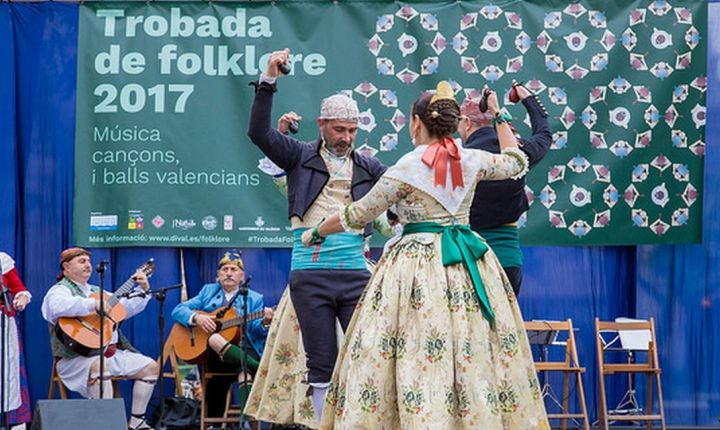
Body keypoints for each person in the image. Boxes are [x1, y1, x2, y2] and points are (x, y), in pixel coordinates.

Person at [302, 82, 549, 429]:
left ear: (416, 123)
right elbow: (516, 161)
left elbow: (356, 214)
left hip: (414, 270)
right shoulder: (473, 159)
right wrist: (498, 114)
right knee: (469, 348)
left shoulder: (407, 167)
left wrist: (315, 232)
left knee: (410, 349)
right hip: (466, 262)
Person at [246, 48, 387, 420]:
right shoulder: (299, 156)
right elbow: (257, 132)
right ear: (322, 124)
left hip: (356, 273)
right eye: (340, 129)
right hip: (310, 274)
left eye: (353, 131)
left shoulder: (369, 166)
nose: (346, 137)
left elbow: (401, 193)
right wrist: (269, 80)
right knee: (321, 363)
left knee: (364, 357)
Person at [41, 247, 158, 430]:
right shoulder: (59, 291)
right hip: (75, 359)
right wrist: (93, 305)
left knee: (150, 367)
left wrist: (143, 289)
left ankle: (137, 421)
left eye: (88, 261)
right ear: (66, 267)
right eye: (81, 261)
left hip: (108, 353)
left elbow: (126, 308)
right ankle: (106, 425)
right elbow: (57, 307)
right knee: (99, 365)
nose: (88, 264)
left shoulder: (98, 291)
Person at [458, 83, 551, 296]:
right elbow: (544, 134)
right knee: (505, 327)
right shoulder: (517, 153)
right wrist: (527, 97)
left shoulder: (462, 159)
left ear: (467, 122)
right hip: (508, 260)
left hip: (470, 258)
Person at [171, 249, 272, 421]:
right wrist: (197, 318)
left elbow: (256, 331)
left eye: (234, 270)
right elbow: (178, 310)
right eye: (225, 270)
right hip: (215, 356)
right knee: (214, 338)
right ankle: (260, 368)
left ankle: (244, 422)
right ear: (218, 275)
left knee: (245, 374)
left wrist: (265, 321)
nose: (229, 273)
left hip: (245, 349)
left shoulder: (254, 298)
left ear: (242, 276)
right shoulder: (208, 292)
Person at [0, 252, 31, 418]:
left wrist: (22, 298)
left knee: (5, 371)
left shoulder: (1, 260)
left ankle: (9, 419)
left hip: (2, 324)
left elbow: (19, 289)